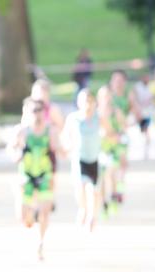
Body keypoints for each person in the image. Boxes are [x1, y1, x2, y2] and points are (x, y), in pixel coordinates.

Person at [7, 97, 58, 260]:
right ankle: (30, 213)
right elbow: (11, 150)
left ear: (44, 112)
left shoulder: (51, 130)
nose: (37, 114)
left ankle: (40, 243)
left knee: (45, 212)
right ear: (28, 113)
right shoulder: (22, 131)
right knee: (25, 220)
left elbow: (57, 151)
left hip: (44, 174)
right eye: (34, 110)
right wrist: (17, 155)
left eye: (40, 110)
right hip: (26, 176)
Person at [61, 88, 100, 232]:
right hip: (79, 158)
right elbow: (65, 135)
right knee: (81, 187)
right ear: (78, 103)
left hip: (94, 158)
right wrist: (66, 147)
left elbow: (108, 131)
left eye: (90, 101)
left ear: (95, 103)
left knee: (93, 189)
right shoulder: (73, 118)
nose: (87, 104)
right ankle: (83, 208)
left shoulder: (99, 117)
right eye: (84, 101)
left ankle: (92, 215)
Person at [30, 79, 65, 209]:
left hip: (48, 148)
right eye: (38, 93)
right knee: (31, 177)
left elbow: (61, 125)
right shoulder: (29, 108)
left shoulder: (52, 109)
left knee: (50, 176)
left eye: (43, 93)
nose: (40, 96)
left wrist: (54, 135)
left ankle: (50, 199)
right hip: (32, 149)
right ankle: (34, 203)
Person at [97, 85, 126, 218]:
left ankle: (114, 195)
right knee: (101, 177)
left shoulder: (116, 112)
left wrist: (117, 136)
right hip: (101, 149)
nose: (106, 99)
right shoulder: (96, 114)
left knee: (111, 173)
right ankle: (104, 203)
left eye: (108, 95)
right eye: (103, 96)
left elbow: (123, 128)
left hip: (114, 148)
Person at [108, 70, 135, 204]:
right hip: (110, 135)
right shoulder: (108, 96)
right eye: (115, 80)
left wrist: (130, 120)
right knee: (112, 164)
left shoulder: (127, 95)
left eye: (120, 80)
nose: (117, 83)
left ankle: (120, 188)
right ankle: (114, 192)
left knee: (123, 163)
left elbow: (134, 110)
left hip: (122, 133)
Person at [133, 72, 153, 160]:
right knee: (143, 132)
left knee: (145, 131)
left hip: (148, 112)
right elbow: (135, 97)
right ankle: (144, 150)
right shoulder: (138, 87)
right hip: (140, 112)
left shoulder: (151, 87)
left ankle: (146, 150)